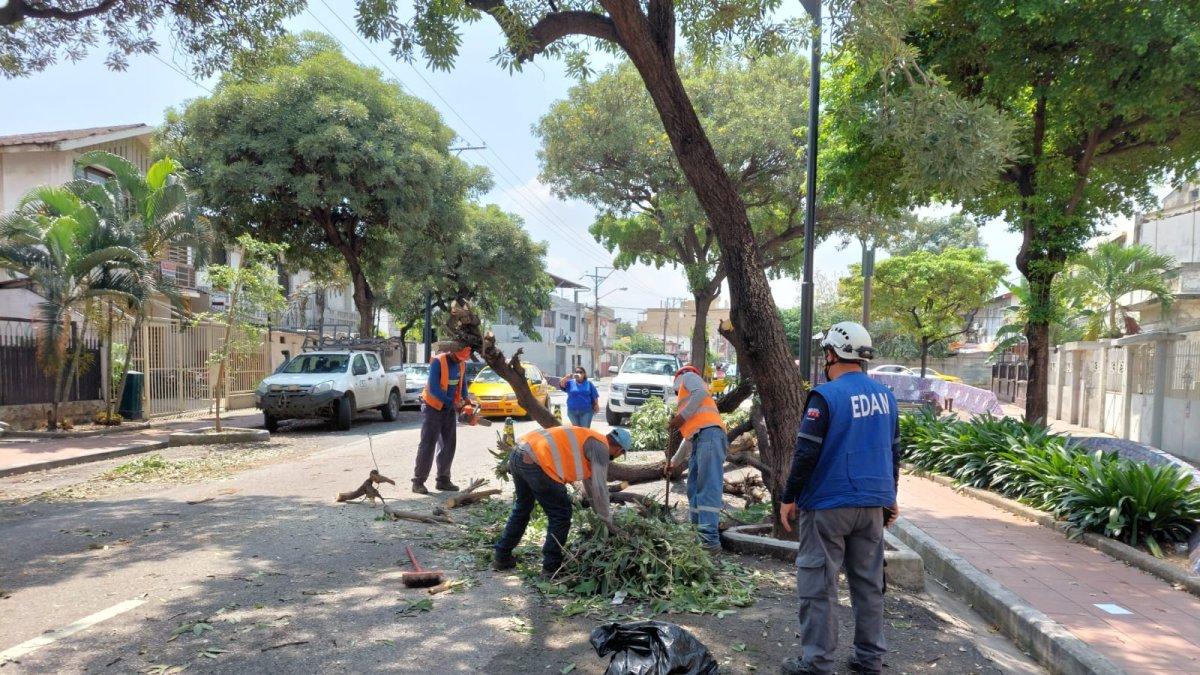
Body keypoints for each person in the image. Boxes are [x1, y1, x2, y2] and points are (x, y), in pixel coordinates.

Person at [778, 322, 901, 675]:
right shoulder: (886, 396)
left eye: (825, 353)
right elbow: (894, 451)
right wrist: (890, 498)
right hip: (872, 507)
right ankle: (869, 659)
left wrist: (790, 496)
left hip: (829, 505)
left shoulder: (825, 396)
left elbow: (805, 453)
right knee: (869, 585)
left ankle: (817, 664)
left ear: (831, 354)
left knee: (819, 584)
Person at [493, 426, 633, 576]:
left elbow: (592, 487)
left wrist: (600, 514)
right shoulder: (601, 449)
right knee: (561, 514)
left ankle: (502, 557)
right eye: (619, 454)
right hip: (538, 462)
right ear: (619, 450)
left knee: (523, 507)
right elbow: (600, 488)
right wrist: (609, 523)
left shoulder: (590, 437)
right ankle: (551, 567)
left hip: (518, 453)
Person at [667, 364, 728, 551]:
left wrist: (682, 417)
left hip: (710, 435)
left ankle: (709, 541)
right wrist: (674, 463)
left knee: (707, 487)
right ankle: (697, 536)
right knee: (693, 488)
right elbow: (688, 438)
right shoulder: (687, 401)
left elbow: (700, 392)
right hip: (700, 438)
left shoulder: (688, 376)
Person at [411, 342, 474, 495]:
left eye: (462, 359)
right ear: (452, 351)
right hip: (433, 408)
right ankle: (418, 482)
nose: (460, 360)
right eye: (458, 357)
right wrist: (451, 402)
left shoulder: (461, 364)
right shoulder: (438, 362)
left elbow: (462, 386)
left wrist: (467, 402)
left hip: (449, 408)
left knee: (448, 444)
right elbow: (433, 388)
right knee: (428, 444)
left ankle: (443, 480)